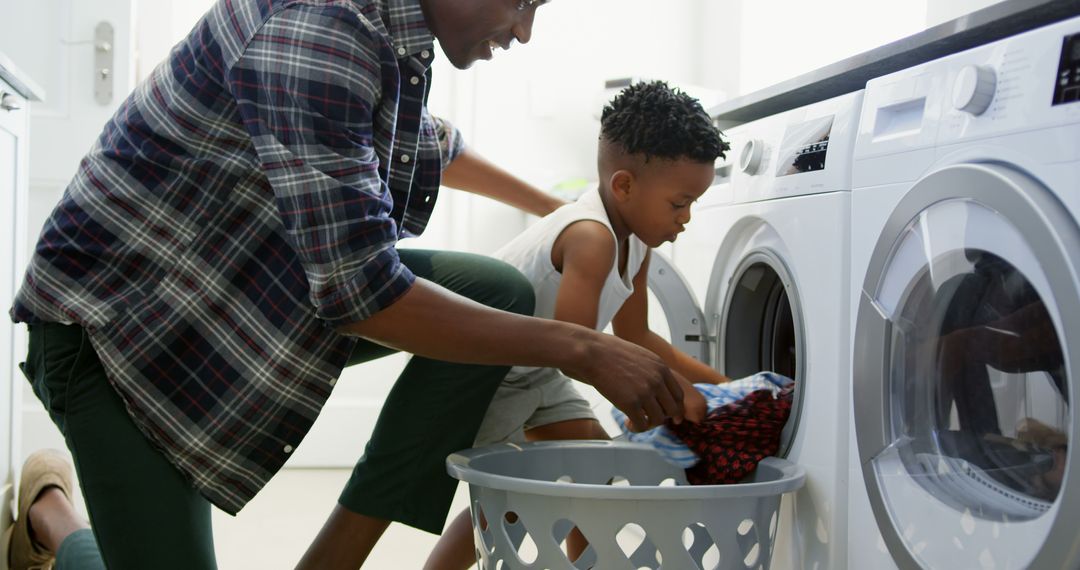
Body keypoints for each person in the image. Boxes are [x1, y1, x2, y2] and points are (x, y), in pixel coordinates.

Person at [4, 0, 686, 568]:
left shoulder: (388, 30)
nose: (524, 29)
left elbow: (432, 143)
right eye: (522, 0)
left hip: (240, 288)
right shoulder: (323, 30)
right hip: (120, 326)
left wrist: (569, 212)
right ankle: (50, 516)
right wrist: (582, 349)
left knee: (497, 289)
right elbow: (361, 294)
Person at [424, 80, 730, 569]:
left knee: (596, 471)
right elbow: (579, 348)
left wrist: (725, 386)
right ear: (624, 186)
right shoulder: (591, 237)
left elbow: (637, 337)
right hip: (490, 374)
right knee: (509, 498)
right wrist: (659, 392)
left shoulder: (637, 242)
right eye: (679, 203)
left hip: (537, 372)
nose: (686, 218)